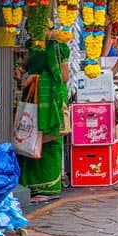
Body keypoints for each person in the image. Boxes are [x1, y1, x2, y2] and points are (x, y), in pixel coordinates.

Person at [18, 29, 70, 196]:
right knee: (30, 138)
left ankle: (50, 189)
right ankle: (33, 186)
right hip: (34, 97)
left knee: (49, 141)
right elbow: (24, 64)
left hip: (51, 99)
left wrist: (36, 78)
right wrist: (19, 70)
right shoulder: (32, 46)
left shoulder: (59, 47)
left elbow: (63, 76)